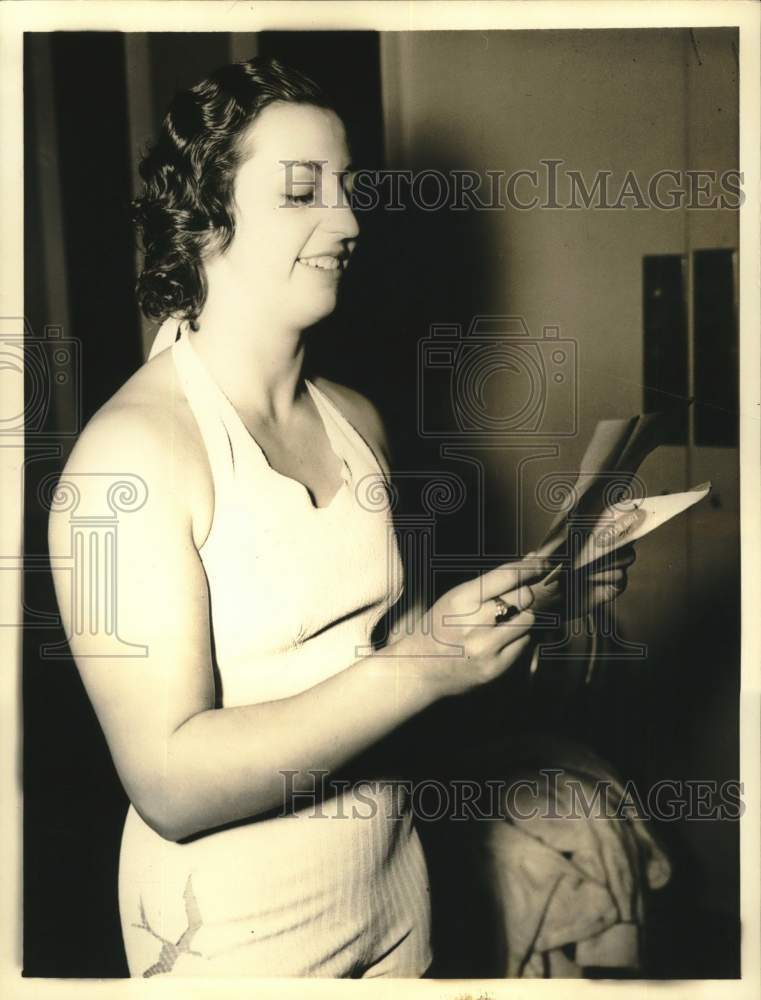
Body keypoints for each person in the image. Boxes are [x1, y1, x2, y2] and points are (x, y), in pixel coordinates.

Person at [48, 56, 634, 978]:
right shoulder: (131, 456)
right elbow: (168, 784)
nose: (349, 221)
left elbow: (378, 670)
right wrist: (418, 665)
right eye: (301, 191)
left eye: (347, 186)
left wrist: (533, 614)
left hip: (396, 894)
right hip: (226, 932)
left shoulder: (355, 422)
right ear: (205, 213)